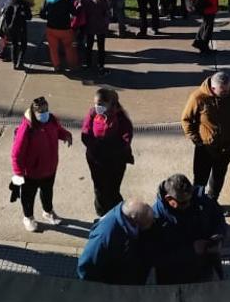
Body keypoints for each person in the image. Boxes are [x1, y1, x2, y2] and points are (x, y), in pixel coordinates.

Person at [150, 173, 227, 284]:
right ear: (168, 199)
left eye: (190, 199)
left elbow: (219, 218)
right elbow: (156, 257)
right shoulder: (155, 219)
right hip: (175, 279)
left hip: (204, 272)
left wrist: (219, 236)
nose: (189, 204)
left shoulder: (201, 200)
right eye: (183, 202)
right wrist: (191, 250)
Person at [181, 71, 230, 200]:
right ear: (213, 88)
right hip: (206, 147)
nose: (227, 93)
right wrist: (196, 140)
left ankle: (212, 201)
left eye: (228, 89)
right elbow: (186, 119)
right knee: (200, 178)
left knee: (219, 175)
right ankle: (198, 203)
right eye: (223, 91)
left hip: (227, 146)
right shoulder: (198, 97)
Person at [11, 96, 73, 231]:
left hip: (50, 168)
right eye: (41, 111)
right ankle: (28, 217)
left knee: (47, 192)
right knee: (28, 197)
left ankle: (48, 212)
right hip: (31, 172)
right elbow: (17, 153)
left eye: (46, 110)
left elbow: (58, 130)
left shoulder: (51, 120)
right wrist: (18, 173)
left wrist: (66, 135)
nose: (45, 113)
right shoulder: (27, 128)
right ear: (34, 112)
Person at [80, 87, 134, 217]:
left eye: (100, 104)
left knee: (113, 190)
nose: (97, 106)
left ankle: (117, 213)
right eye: (95, 103)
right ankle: (102, 214)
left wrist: (107, 149)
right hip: (96, 160)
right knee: (99, 188)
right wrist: (96, 147)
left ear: (110, 104)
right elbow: (85, 133)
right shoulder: (93, 113)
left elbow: (124, 140)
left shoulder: (121, 119)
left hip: (115, 161)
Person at [76, 200, 154, 285]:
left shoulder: (129, 217)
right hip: (113, 286)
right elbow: (86, 266)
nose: (149, 225)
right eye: (146, 223)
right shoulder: (103, 237)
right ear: (133, 219)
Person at [38, 0, 79, 71]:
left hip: (51, 28)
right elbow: (74, 12)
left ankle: (57, 66)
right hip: (65, 28)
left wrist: (48, 18)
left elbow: (42, 14)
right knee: (69, 47)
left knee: (53, 48)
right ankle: (72, 65)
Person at [78, 0, 111, 73]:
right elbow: (107, 15)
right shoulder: (104, 1)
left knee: (89, 46)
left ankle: (88, 64)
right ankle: (101, 65)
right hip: (101, 27)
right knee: (101, 47)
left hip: (89, 26)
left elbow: (79, 9)